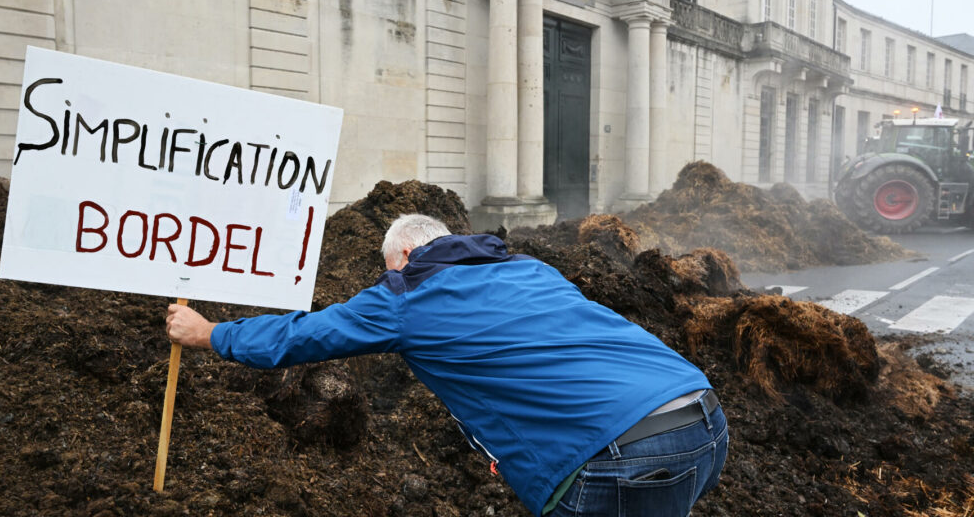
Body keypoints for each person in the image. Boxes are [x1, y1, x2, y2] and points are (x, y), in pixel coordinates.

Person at [166, 214, 728, 516]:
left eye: (389, 267)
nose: (387, 277)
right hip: (700, 417)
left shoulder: (406, 296)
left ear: (405, 256)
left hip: (616, 458)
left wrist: (212, 333)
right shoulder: (529, 269)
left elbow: (306, 335)